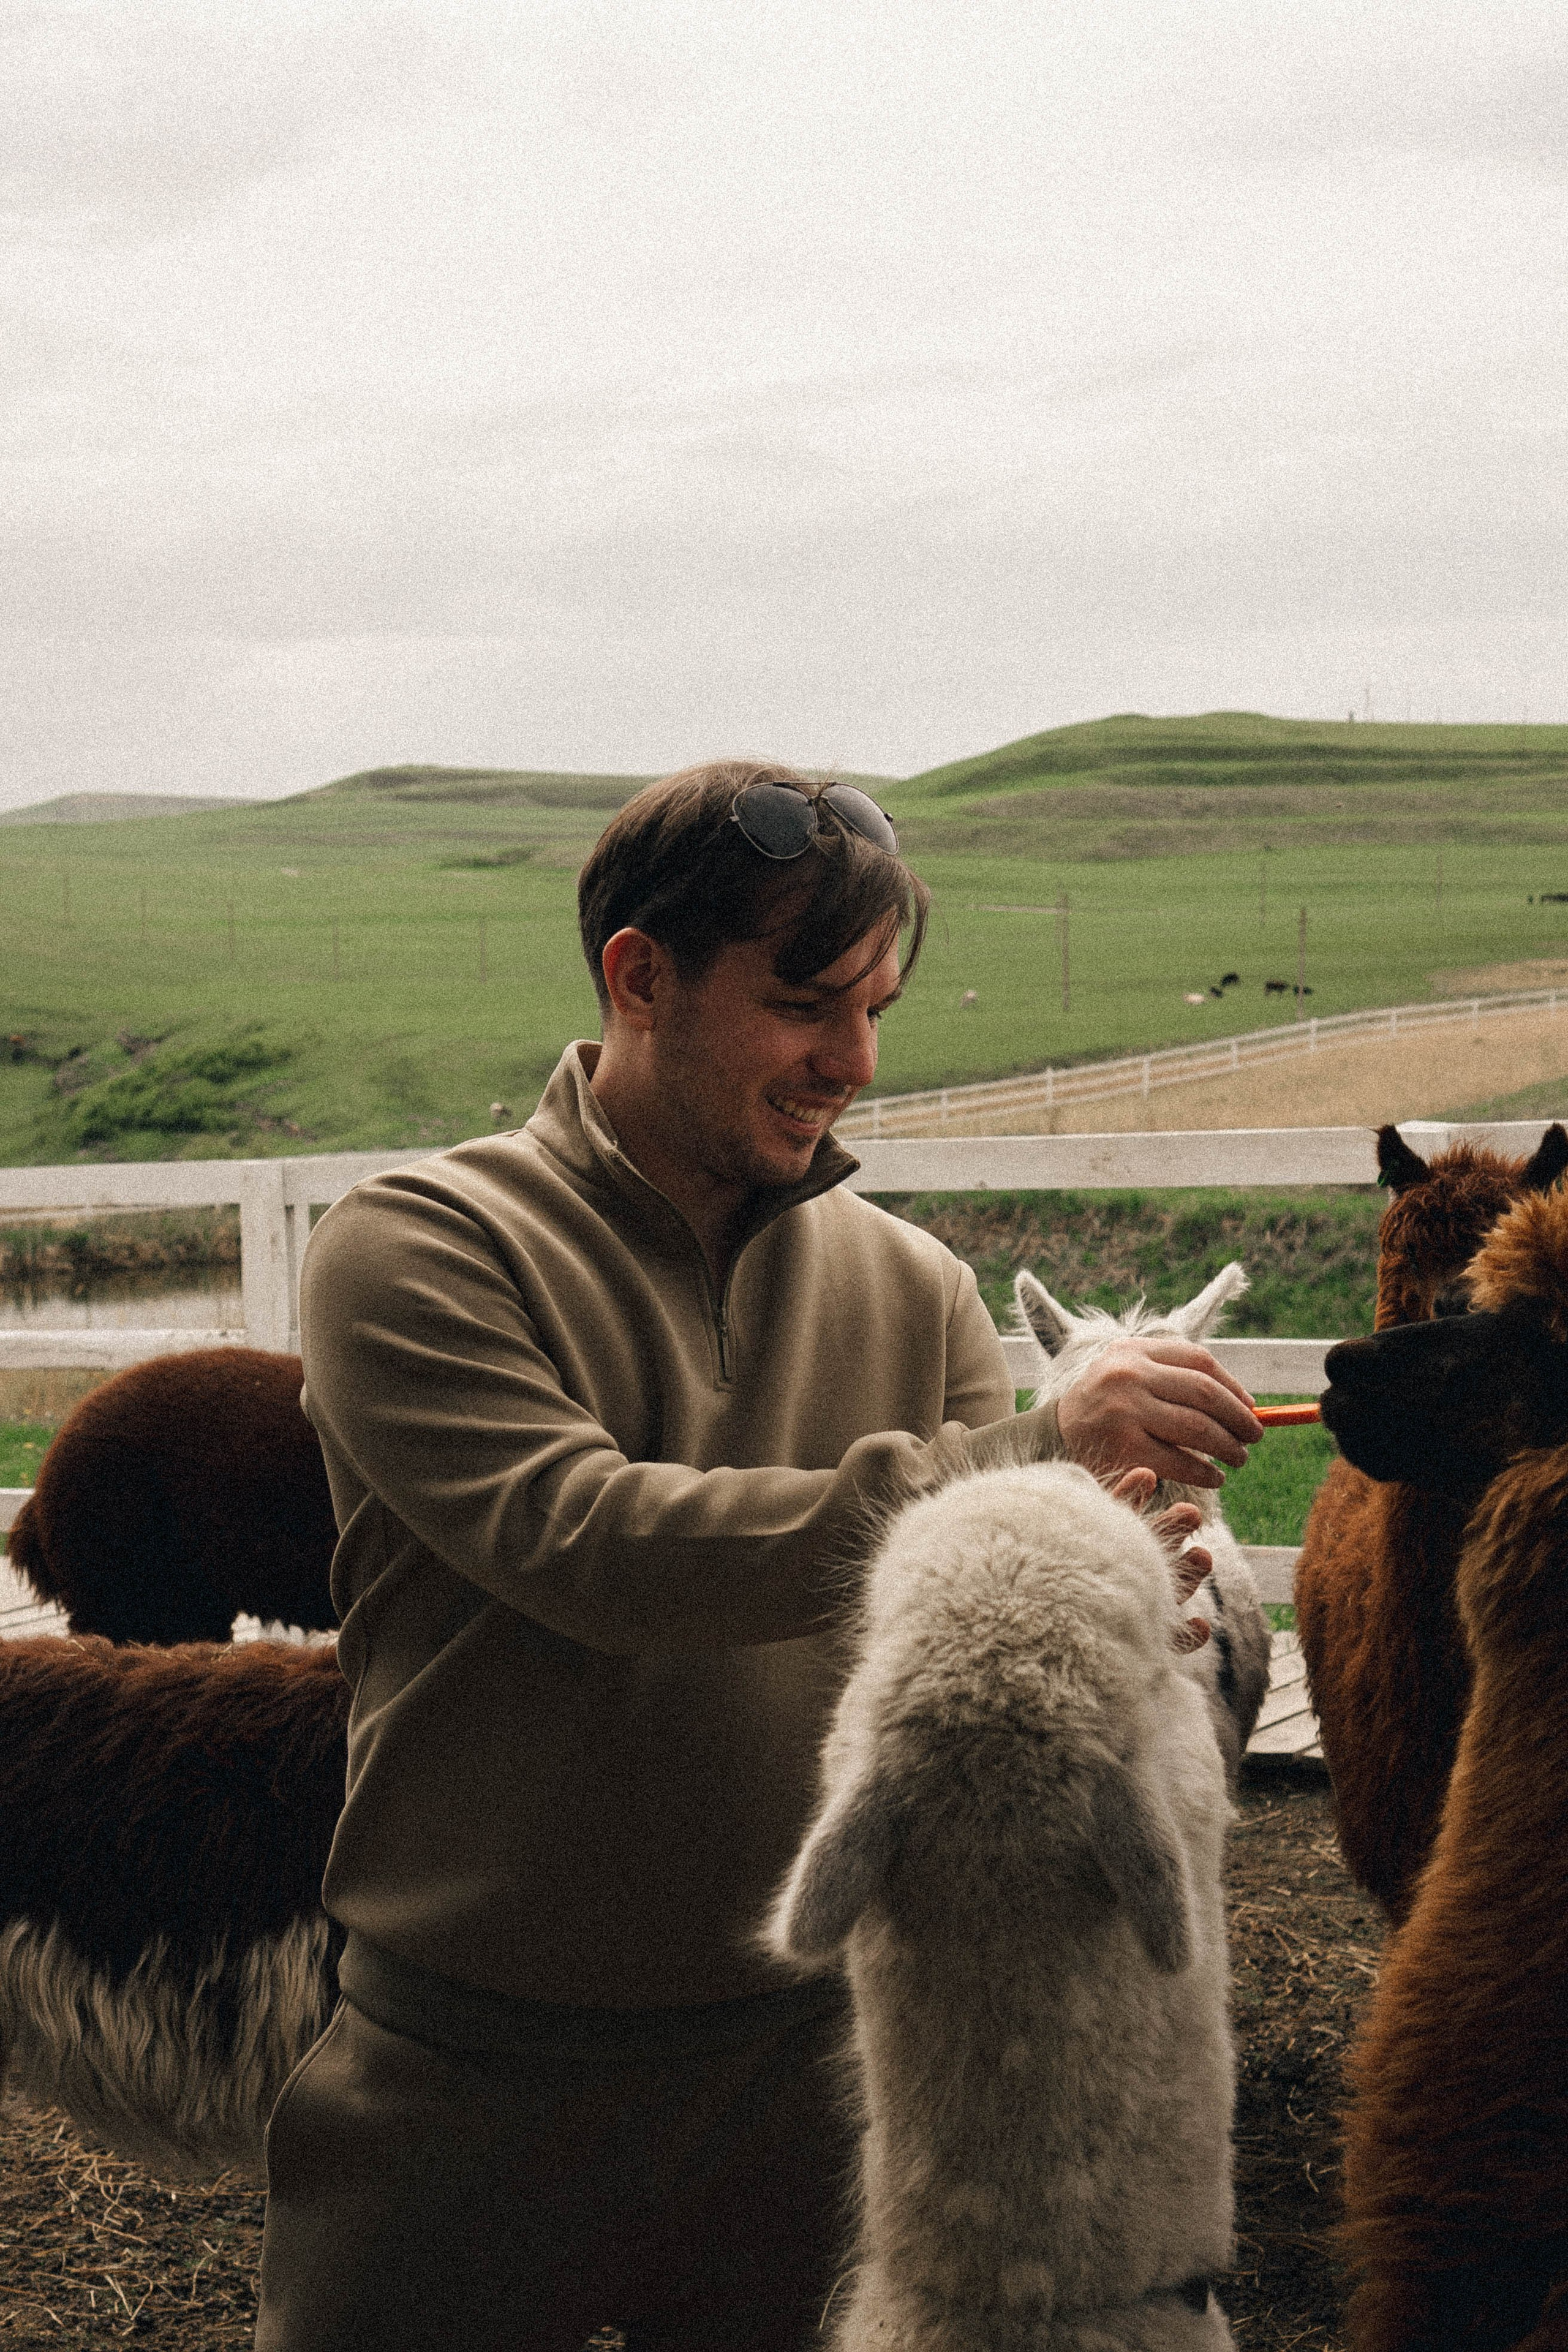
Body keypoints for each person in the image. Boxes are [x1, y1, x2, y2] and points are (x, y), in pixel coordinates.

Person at [255, 760, 1261, 2352]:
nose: (852, 1061)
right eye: (807, 1003)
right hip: (462, 2083)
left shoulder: (917, 1289)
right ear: (638, 977)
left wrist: (1132, 1587)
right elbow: (589, 1543)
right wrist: (1029, 1459)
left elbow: (970, 1653)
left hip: (822, 2075)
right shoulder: (415, 1246)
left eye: (878, 1011)